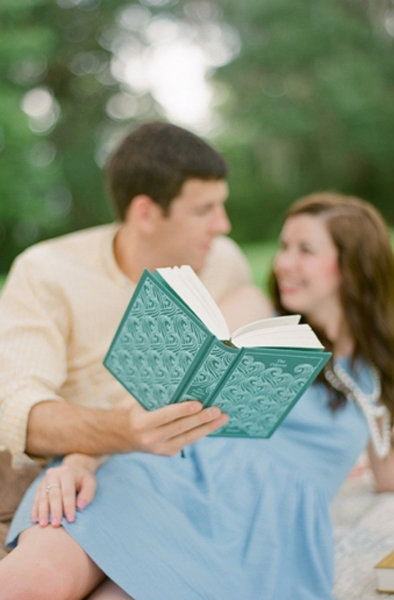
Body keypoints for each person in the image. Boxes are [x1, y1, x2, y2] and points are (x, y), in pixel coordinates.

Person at [2, 192, 394, 600]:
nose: (284, 264)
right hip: (170, 475)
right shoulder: (257, 310)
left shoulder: (381, 374)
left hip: (260, 532)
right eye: (283, 247)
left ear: (354, 266)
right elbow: (157, 398)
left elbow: (390, 477)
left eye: (305, 250)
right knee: (36, 582)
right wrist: (80, 459)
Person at [0, 121, 270, 556]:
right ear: (145, 212)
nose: (223, 224)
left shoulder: (224, 262)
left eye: (222, 205)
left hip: (187, 473)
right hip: (71, 474)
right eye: (204, 210)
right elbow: (18, 412)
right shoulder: (47, 272)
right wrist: (120, 432)